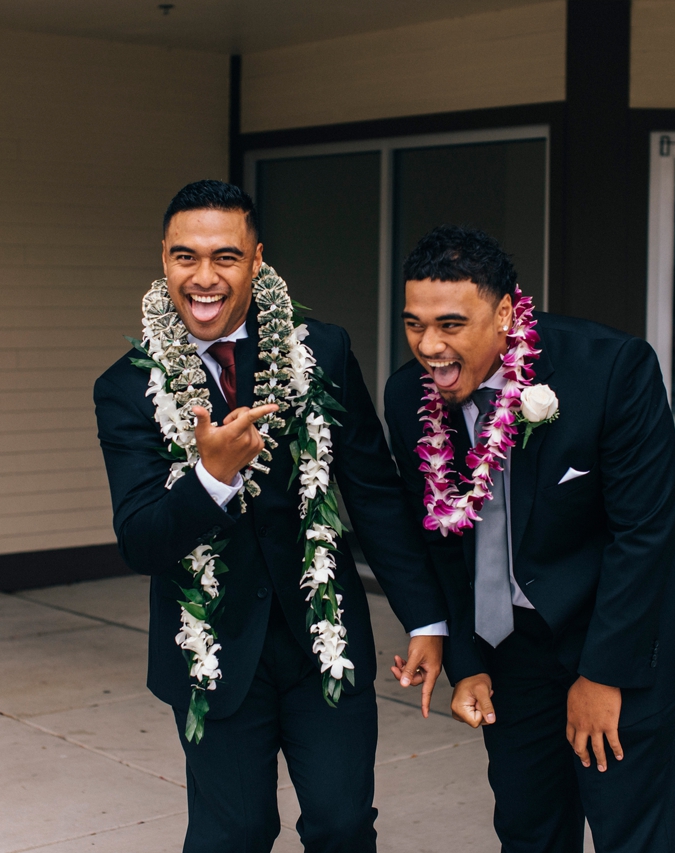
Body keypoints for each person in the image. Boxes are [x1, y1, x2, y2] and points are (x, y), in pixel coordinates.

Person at [94, 180, 448, 853]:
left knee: (343, 826)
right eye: (185, 256)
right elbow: (141, 540)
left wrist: (425, 619)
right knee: (234, 834)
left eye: (225, 257)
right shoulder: (126, 387)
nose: (204, 277)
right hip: (213, 651)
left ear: (257, 261)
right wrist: (211, 477)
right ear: (164, 258)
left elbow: (374, 493)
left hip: (324, 637)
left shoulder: (322, 351)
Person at [383, 225, 675, 853]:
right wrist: (469, 662)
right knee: (529, 826)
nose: (429, 346)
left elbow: (645, 534)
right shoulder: (408, 395)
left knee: (628, 828)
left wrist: (603, 676)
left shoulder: (611, 368)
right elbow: (440, 538)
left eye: (450, 325)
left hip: (624, 623)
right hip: (512, 642)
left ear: (503, 313)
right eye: (414, 324)